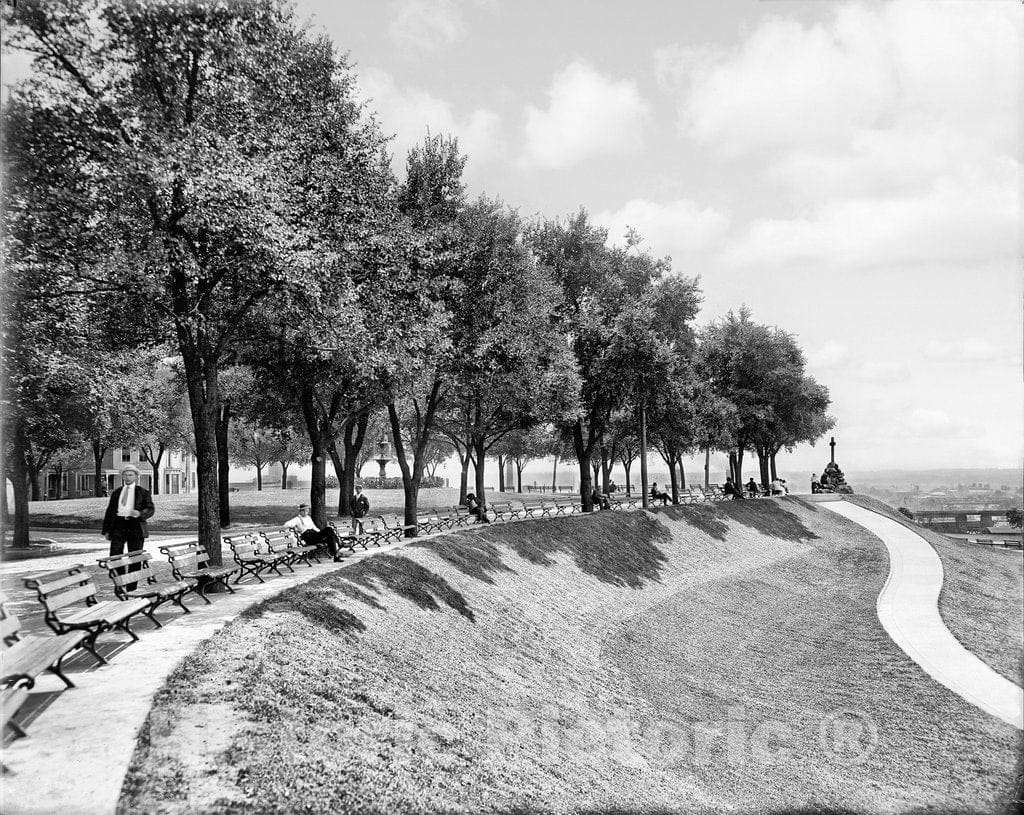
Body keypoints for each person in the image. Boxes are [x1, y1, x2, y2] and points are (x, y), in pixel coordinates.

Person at [101, 464, 155, 592]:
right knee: (115, 555)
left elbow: (150, 508)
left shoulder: (143, 492)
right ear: (122, 476)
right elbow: (110, 512)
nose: (127, 477)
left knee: (135, 557)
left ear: (136, 476)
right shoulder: (117, 492)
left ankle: (131, 588)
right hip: (119, 525)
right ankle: (120, 583)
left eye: (130, 475)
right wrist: (107, 530)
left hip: (135, 526)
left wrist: (141, 513)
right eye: (125, 475)